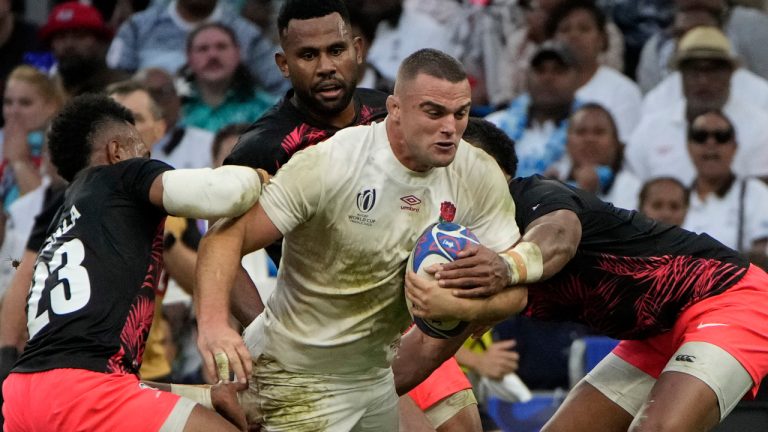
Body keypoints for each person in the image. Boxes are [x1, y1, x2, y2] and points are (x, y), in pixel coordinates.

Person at [195, 48, 530, 431]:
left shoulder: (477, 172)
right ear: (395, 109)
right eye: (434, 112)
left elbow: (516, 290)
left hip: (374, 378)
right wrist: (214, 323)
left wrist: (461, 306)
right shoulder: (333, 162)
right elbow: (224, 236)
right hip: (293, 376)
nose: (450, 128)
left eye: (461, 113)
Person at [407, 117, 768, 432]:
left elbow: (559, 239)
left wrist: (506, 267)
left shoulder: (536, 195)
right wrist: (355, 379)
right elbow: (424, 351)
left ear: (491, 171)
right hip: (652, 334)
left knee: (658, 429)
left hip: (729, 298)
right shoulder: (465, 247)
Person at [1, 93, 267, 431]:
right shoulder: (124, 176)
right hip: (87, 393)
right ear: (117, 152)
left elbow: (92, 374)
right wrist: (264, 173)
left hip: (23, 396)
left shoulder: (63, 214)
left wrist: (207, 397)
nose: (148, 156)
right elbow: (224, 192)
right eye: (142, 149)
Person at [626, 26, 768, 185]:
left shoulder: (761, 128)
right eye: (694, 71)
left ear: (730, 74)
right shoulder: (650, 130)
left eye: (713, 71)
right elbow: (631, 191)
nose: (703, 81)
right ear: (681, 75)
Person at [107, 0, 288, 96]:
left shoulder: (246, 34)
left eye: (221, 47)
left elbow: (281, 86)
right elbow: (111, 82)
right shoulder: (137, 27)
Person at [681, 109, 768, 269]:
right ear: (688, 147)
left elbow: (763, 255)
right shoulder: (677, 197)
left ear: (735, 147)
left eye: (721, 137)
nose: (711, 143)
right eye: (700, 136)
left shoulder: (756, 194)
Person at [547, 0, 642, 141]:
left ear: (602, 40)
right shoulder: (543, 89)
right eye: (565, 29)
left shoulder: (622, 91)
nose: (574, 36)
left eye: (584, 29)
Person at [485, 40, 582, 178]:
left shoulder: (591, 131)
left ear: (578, 78)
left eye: (558, 70)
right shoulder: (494, 126)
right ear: (527, 76)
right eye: (540, 70)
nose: (548, 78)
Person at [179, 22, 275, 133]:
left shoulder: (267, 109)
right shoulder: (174, 109)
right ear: (188, 57)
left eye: (221, 47)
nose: (213, 55)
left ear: (238, 53)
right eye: (203, 49)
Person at [547, 103, 642, 211]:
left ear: (615, 142)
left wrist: (587, 195)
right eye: (581, 132)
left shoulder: (631, 187)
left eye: (599, 132)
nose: (589, 139)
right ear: (567, 143)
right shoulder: (552, 182)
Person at [40, 1, 128, 97]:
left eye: (79, 36)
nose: (69, 44)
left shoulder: (122, 89)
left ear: (101, 41)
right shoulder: (44, 90)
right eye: (61, 37)